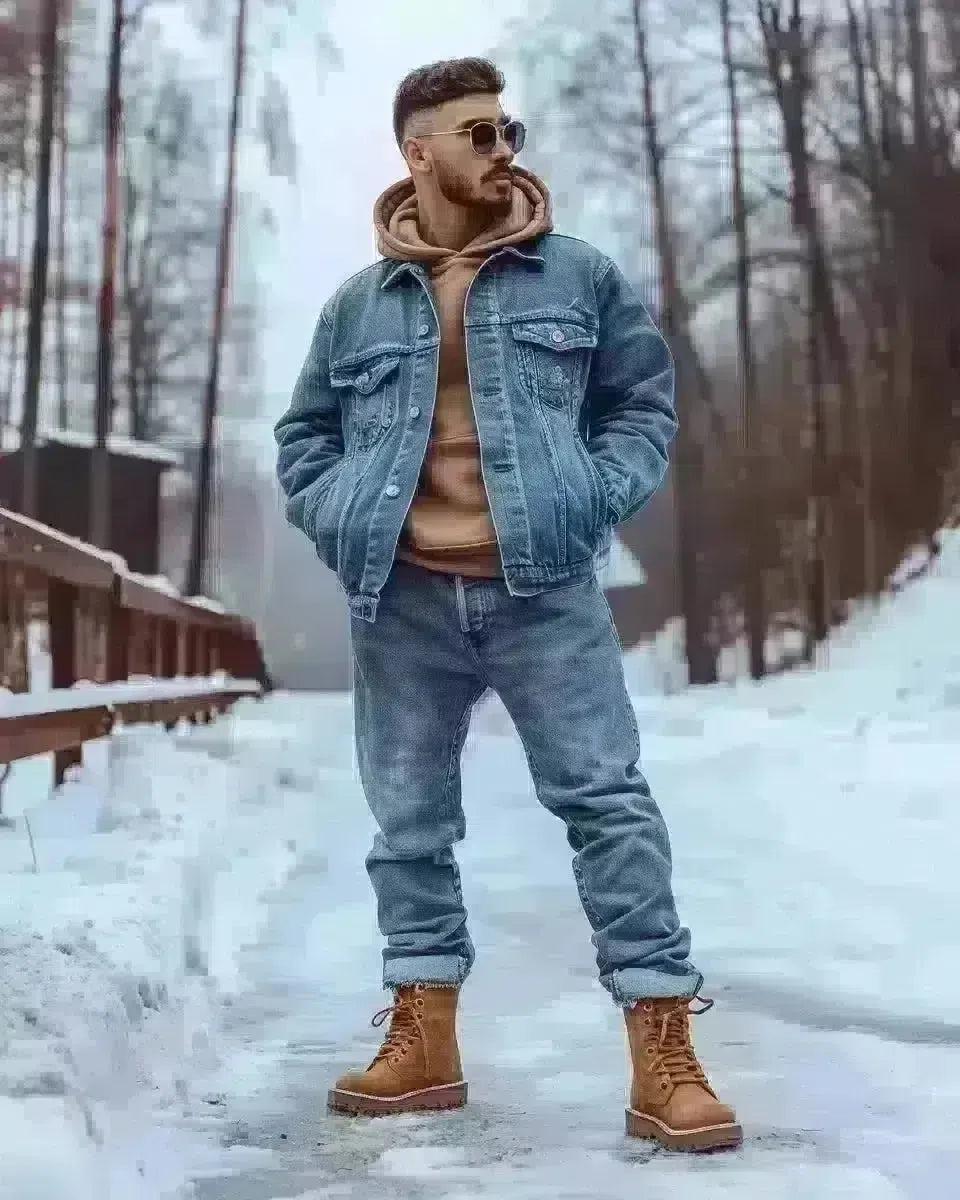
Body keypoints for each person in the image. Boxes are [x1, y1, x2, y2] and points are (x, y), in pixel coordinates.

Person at [274, 56, 741, 1153]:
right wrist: (344, 513)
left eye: (508, 128)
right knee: (408, 828)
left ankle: (662, 1051)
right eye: (477, 133)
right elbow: (305, 440)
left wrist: (591, 497)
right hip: (402, 600)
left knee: (609, 806)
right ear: (419, 151)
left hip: (544, 592)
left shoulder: (577, 277)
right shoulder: (356, 307)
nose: (502, 148)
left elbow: (642, 401)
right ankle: (424, 1042)